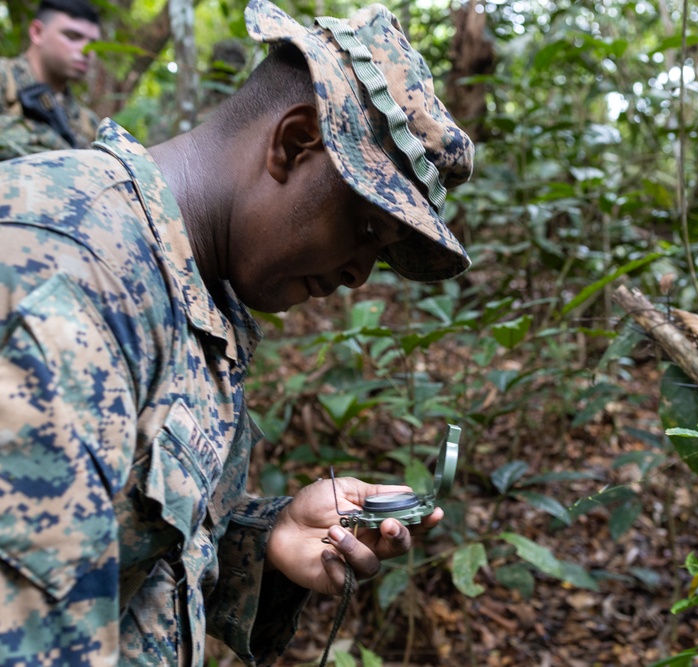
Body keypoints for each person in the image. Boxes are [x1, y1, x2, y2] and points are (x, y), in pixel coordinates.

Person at [0, 0, 474, 664]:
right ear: (293, 143)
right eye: (367, 229)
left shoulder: (196, 298)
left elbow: (129, 553)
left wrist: (270, 536)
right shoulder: (66, 274)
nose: (362, 274)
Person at [0, 0, 102, 161]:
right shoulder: (5, 82)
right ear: (37, 32)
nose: (86, 50)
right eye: (73, 36)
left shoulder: (89, 124)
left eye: (93, 43)